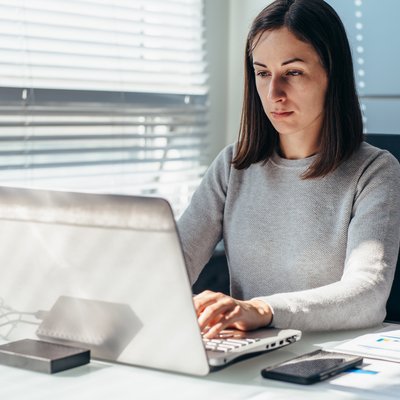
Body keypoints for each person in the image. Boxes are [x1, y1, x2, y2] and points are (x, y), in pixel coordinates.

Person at [177, 0, 400, 339]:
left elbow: (367, 294)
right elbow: (172, 266)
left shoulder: (375, 172)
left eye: (293, 72)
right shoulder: (232, 166)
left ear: (332, 76)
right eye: (263, 72)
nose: (273, 92)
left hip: (330, 363)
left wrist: (263, 310)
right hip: (245, 353)